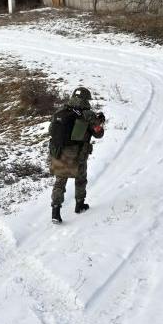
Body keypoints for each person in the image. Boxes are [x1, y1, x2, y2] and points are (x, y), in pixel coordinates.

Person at [48, 87, 105, 224]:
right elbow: (98, 134)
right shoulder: (88, 114)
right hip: (78, 154)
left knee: (60, 182)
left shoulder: (60, 111)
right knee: (80, 179)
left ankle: (55, 212)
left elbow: (51, 130)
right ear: (86, 99)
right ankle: (80, 205)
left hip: (59, 152)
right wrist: (100, 123)